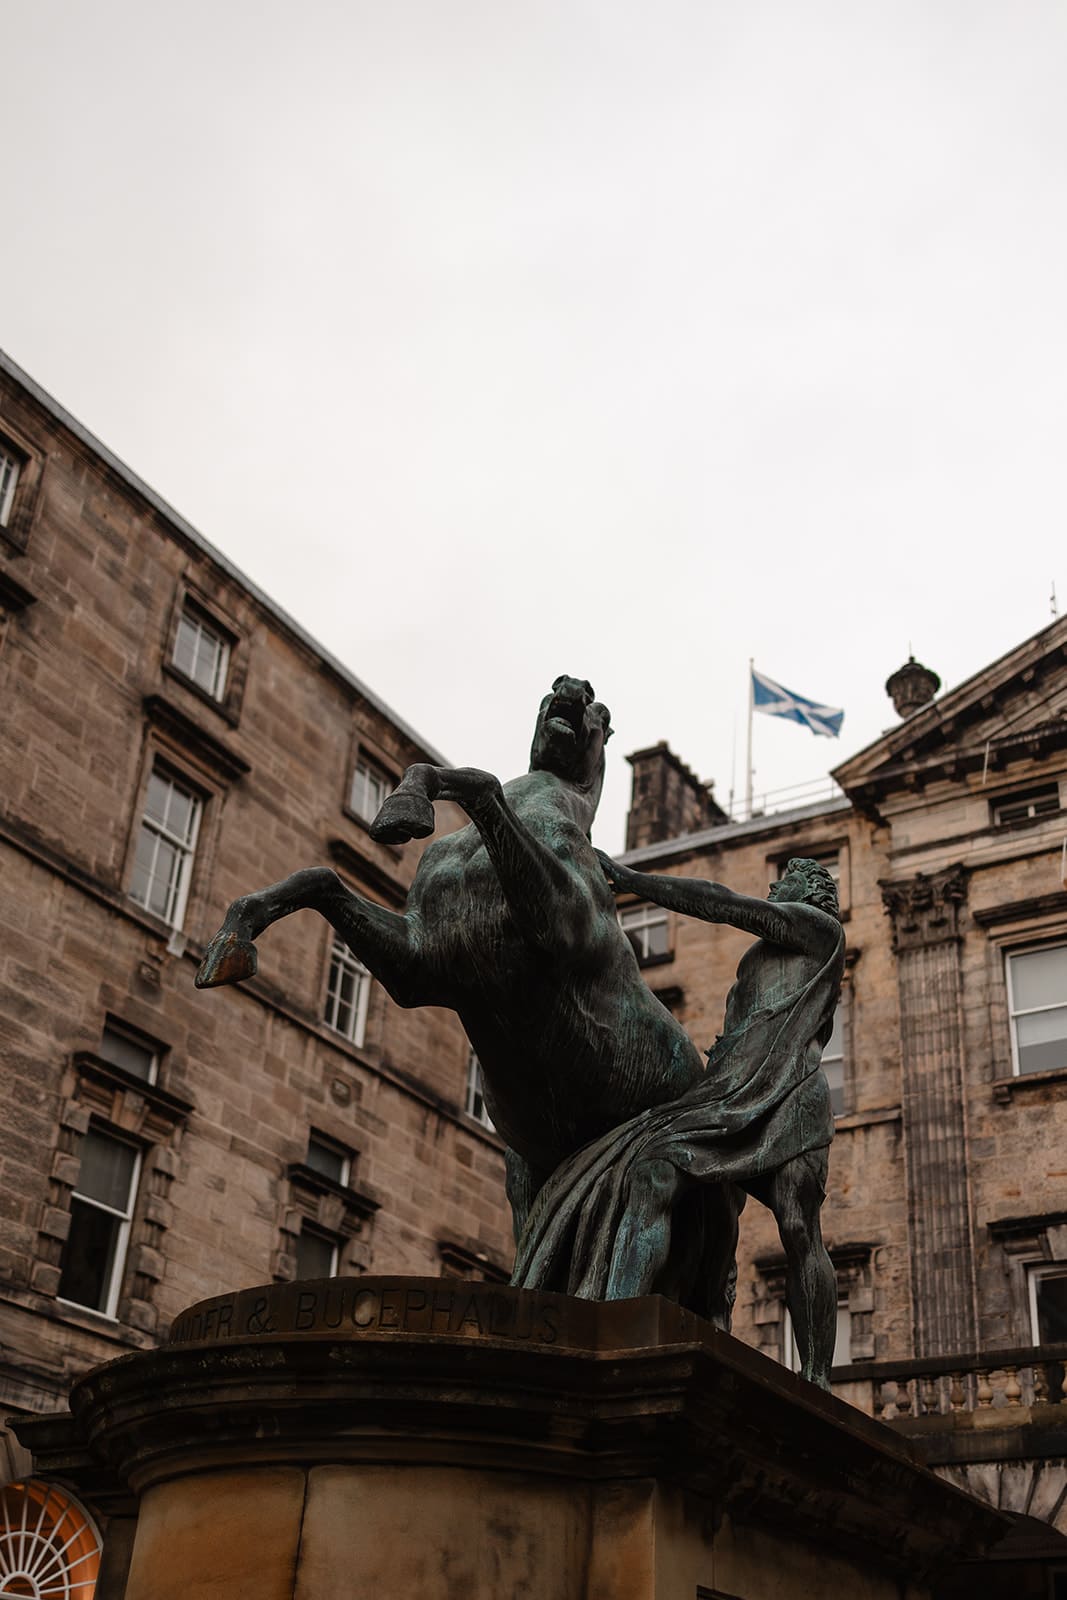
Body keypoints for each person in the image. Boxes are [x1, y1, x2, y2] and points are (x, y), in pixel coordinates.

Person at [510, 855, 845, 1389]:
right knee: (652, 1168)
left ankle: (817, 1376)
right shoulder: (765, 956)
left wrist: (634, 882)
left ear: (809, 892)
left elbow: (723, 904)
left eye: (786, 879)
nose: (774, 884)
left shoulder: (820, 930)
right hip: (729, 1094)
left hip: (791, 1094)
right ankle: (614, 1319)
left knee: (799, 1227)